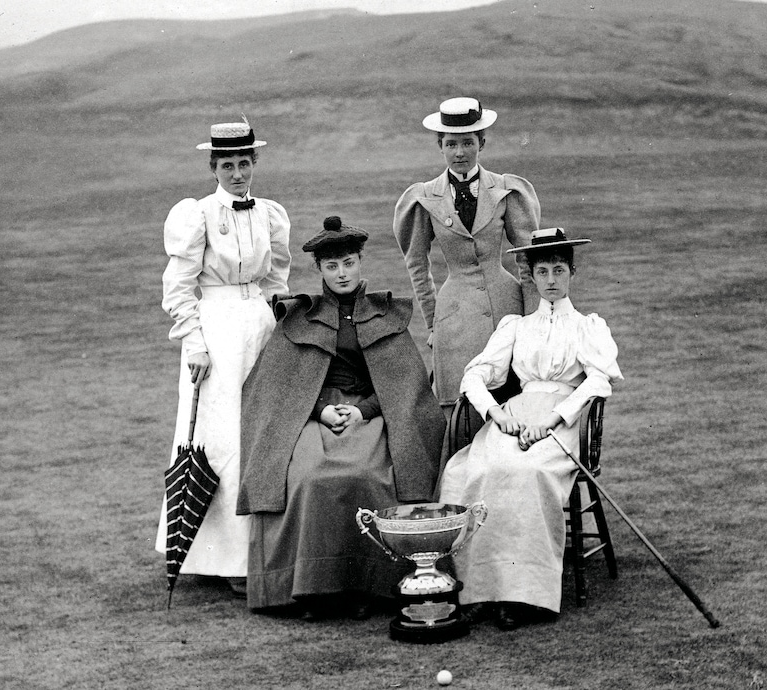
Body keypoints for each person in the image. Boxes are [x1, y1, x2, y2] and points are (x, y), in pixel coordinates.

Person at [237, 216, 445, 620]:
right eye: (332, 266)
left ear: (360, 262)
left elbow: (404, 385)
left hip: (370, 414)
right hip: (314, 417)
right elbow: (279, 385)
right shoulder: (299, 317)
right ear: (319, 271)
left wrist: (363, 410)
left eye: (348, 263)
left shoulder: (385, 315)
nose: (342, 273)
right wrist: (321, 410)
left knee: (369, 476)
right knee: (311, 479)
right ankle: (316, 592)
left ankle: (368, 585)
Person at [438, 228, 624, 630]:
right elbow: (474, 375)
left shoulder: (588, 326)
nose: (552, 280)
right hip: (515, 414)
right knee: (481, 471)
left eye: (559, 269)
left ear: (572, 272)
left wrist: (553, 419)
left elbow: (597, 381)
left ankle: (524, 595)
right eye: (543, 271)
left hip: (562, 420)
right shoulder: (517, 326)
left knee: (528, 474)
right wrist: (496, 414)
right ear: (532, 276)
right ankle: (478, 590)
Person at [155, 119, 291, 596]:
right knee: (222, 437)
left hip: (259, 325)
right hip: (215, 332)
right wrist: (193, 341)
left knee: (261, 432)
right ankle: (221, 558)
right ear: (213, 167)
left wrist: (284, 325)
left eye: (244, 163)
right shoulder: (197, 214)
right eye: (228, 164)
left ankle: (259, 551)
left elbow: (276, 279)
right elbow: (179, 284)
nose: (237, 173)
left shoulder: (270, 214)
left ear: (255, 163)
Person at [393, 97, 541, 413]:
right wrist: (433, 322)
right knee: (460, 410)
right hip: (454, 318)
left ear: (481, 143)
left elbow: (527, 259)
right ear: (440, 146)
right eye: (451, 144)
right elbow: (417, 263)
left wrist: (532, 319)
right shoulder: (425, 196)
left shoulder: (505, 190)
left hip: (507, 310)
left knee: (515, 403)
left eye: (467, 143)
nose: (459, 152)